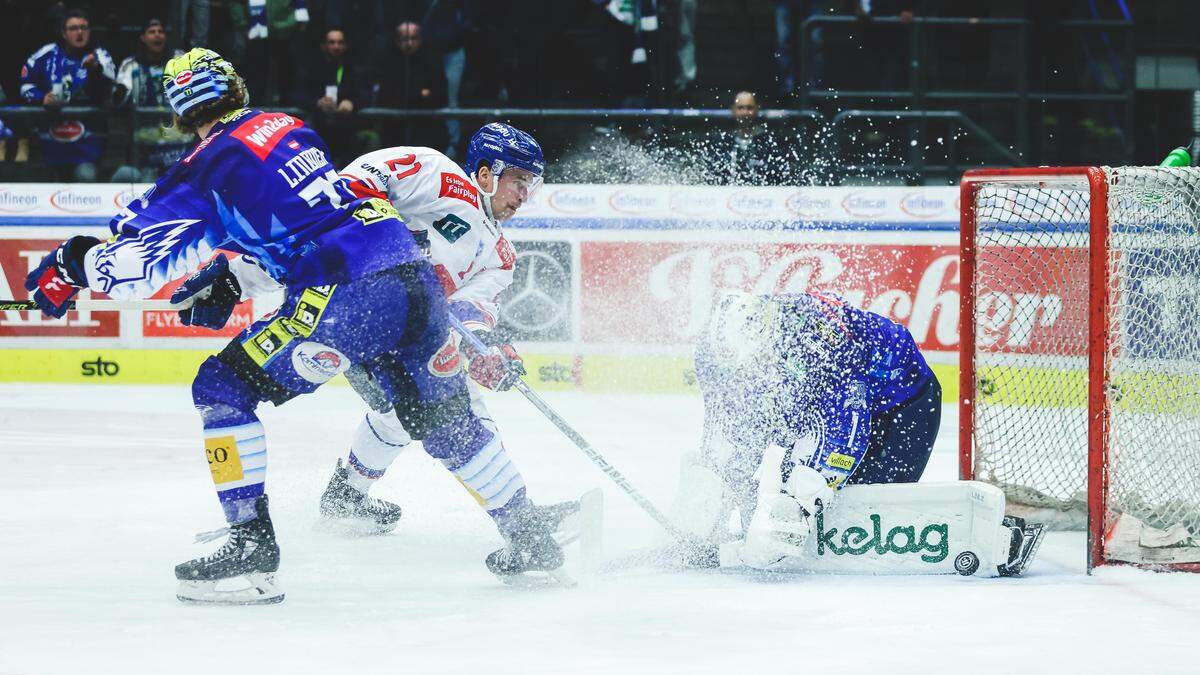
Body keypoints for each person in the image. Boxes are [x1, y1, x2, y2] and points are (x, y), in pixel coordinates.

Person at [21, 48, 558, 604]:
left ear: (179, 112)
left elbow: (132, 268)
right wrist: (231, 280)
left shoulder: (202, 168)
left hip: (346, 291)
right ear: (236, 90)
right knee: (440, 417)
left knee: (221, 387)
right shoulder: (291, 128)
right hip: (411, 282)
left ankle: (249, 551)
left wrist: (69, 266)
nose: (523, 192)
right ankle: (531, 539)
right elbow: (308, 218)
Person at [317, 122, 541, 538]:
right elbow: (354, 182)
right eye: (518, 180)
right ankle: (520, 520)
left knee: (411, 415)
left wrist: (485, 349)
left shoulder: (502, 256)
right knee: (450, 412)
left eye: (532, 184)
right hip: (359, 311)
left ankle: (347, 496)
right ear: (487, 173)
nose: (524, 195)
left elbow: (468, 310)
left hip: (408, 337)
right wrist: (381, 235)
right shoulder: (439, 175)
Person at [673, 291, 942, 567]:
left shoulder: (821, 344)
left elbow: (845, 438)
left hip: (902, 404)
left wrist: (796, 509)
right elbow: (727, 428)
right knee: (749, 489)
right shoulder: (714, 352)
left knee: (862, 501)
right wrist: (710, 495)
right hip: (817, 395)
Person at [19, 8, 115, 182]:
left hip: (86, 147)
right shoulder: (46, 54)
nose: (80, 32)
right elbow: (25, 86)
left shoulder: (100, 56)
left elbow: (113, 88)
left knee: (86, 177)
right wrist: (42, 98)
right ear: (64, 33)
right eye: (73, 28)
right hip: (48, 146)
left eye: (84, 28)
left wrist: (95, 71)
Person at [112, 19, 190, 182]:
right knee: (148, 181)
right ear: (143, 38)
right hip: (145, 140)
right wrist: (120, 91)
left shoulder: (180, 59)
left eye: (160, 31)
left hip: (178, 139)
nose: (157, 35)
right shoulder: (131, 64)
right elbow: (119, 98)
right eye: (152, 32)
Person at [300, 28, 373, 165]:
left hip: (347, 128)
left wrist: (352, 103)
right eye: (332, 42)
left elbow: (367, 95)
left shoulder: (354, 68)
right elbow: (297, 95)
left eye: (340, 42)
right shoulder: (312, 68)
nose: (336, 46)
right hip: (320, 127)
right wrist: (317, 102)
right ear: (324, 46)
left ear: (345, 46)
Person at [375, 21, 446, 149]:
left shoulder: (432, 62)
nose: (409, 43)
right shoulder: (389, 63)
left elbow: (440, 95)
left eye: (414, 38)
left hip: (426, 130)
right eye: (405, 39)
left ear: (420, 40)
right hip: (395, 130)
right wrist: (420, 94)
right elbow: (386, 95)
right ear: (397, 41)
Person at [710, 91, 798, 186]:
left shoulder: (768, 141)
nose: (745, 113)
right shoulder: (723, 142)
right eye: (740, 108)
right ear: (733, 110)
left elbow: (779, 173)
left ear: (756, 109)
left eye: (749, 108)